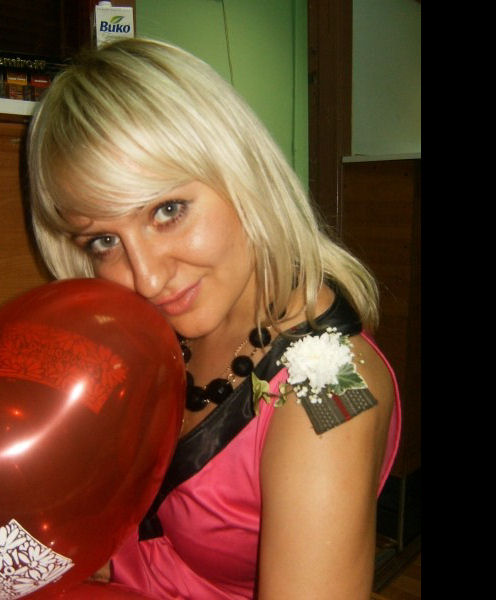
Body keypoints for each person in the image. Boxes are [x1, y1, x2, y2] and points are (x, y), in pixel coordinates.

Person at [27, 37, 401, 600]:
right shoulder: (140, 322)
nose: (147, 278)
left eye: (167, 210)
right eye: (103, 240)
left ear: (240, 171)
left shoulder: (330, 391)